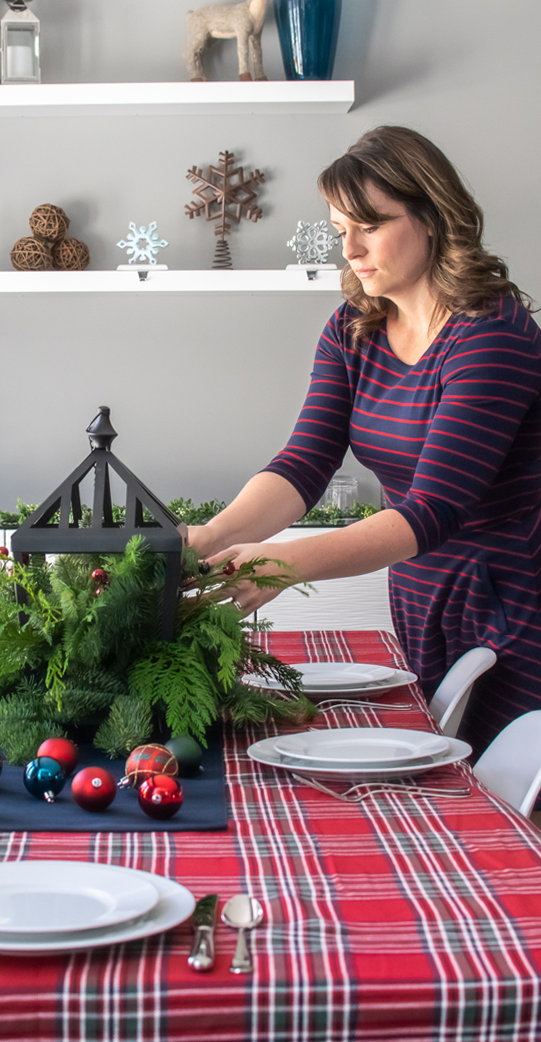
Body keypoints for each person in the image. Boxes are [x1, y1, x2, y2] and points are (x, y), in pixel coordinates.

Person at [187, 125, 541, 756]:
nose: (348, 249)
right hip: (419, 594)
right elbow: (305, 461)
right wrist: (215, 535)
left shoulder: (493, 333)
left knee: (508, 810)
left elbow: (435, 508)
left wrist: (283, 565)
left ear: (434, 217)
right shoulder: (355, 326)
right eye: (338, 228)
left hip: (513, 603)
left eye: (369, 225)